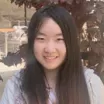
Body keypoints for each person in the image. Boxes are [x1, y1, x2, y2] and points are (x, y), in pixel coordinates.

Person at [0, 4, 104, 104]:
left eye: (59, 39)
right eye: (41, 39)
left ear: (70, 42)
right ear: (32, 42)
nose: (50, 49)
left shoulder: (90, 85)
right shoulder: (16, 87)